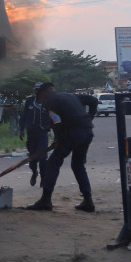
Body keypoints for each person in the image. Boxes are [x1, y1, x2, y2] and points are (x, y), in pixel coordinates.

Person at [27, 83, 96, 213]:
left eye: (39, 95)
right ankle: (88, 200)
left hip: (72, 134)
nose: (40, 99)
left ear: (45, 93)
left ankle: (45, 200)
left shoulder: (50, 102)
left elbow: (56, 121)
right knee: (78, 165)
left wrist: (58, 139)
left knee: (53, 163)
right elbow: (93, 100)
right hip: (86, 132)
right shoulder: (70, 95)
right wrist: (89, 119)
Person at [19, 83, 47, 186]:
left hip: (43, 134)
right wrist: (21, 130)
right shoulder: (29, 101)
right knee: (33, 158)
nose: (37, 92)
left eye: (40, 90)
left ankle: (43, 179)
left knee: (43, 159)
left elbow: (53, 118)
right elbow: (24, 116)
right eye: (36, 90)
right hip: (31, 134)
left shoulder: (47, 102)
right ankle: (34, 173)